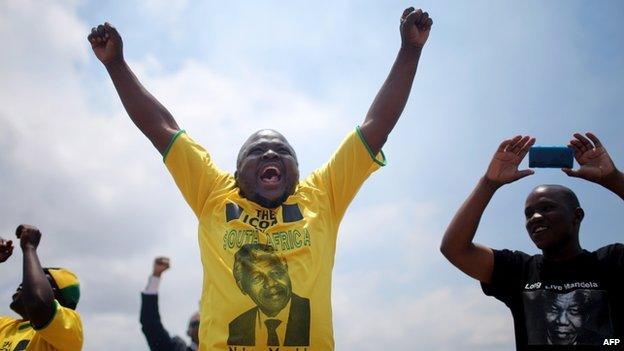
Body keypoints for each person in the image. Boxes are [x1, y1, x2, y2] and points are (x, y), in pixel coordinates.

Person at [89, 6, 432, 350]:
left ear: (296, 173)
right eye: (257, 151)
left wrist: (410, 50)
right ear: (238, 174)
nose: (270, 154)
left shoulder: (322, 195)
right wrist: (116, 64)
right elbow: (161, 127)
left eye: (283, 151)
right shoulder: (213, 192)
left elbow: (376, 128)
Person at [440, 133, 624, 350]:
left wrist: (613, 178)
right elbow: (454, 249)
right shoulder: (519, 270)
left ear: (577, 216)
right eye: (529, 213)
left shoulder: (612, 262)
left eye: (546, 208)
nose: (535, 218)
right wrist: (488, 183)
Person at [0, 225, 83, 351]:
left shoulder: (70, 329)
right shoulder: (4, 326)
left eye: (38, 279)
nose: (24, 283)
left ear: (53, 294)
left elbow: (38, 305)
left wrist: (29, 248)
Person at [228, 244, 309, 346]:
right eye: (257, 278)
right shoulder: (236, 327)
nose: (271, 284)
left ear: (286, 269)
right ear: (242, 287)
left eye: (276, 273)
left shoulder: (312, 313)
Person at [140, 256, 199, 351]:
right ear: (189, 332)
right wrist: (156, 276)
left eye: (205, 322)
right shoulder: (176, 348)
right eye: (197, 323)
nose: (201, 328)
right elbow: (150, 324)